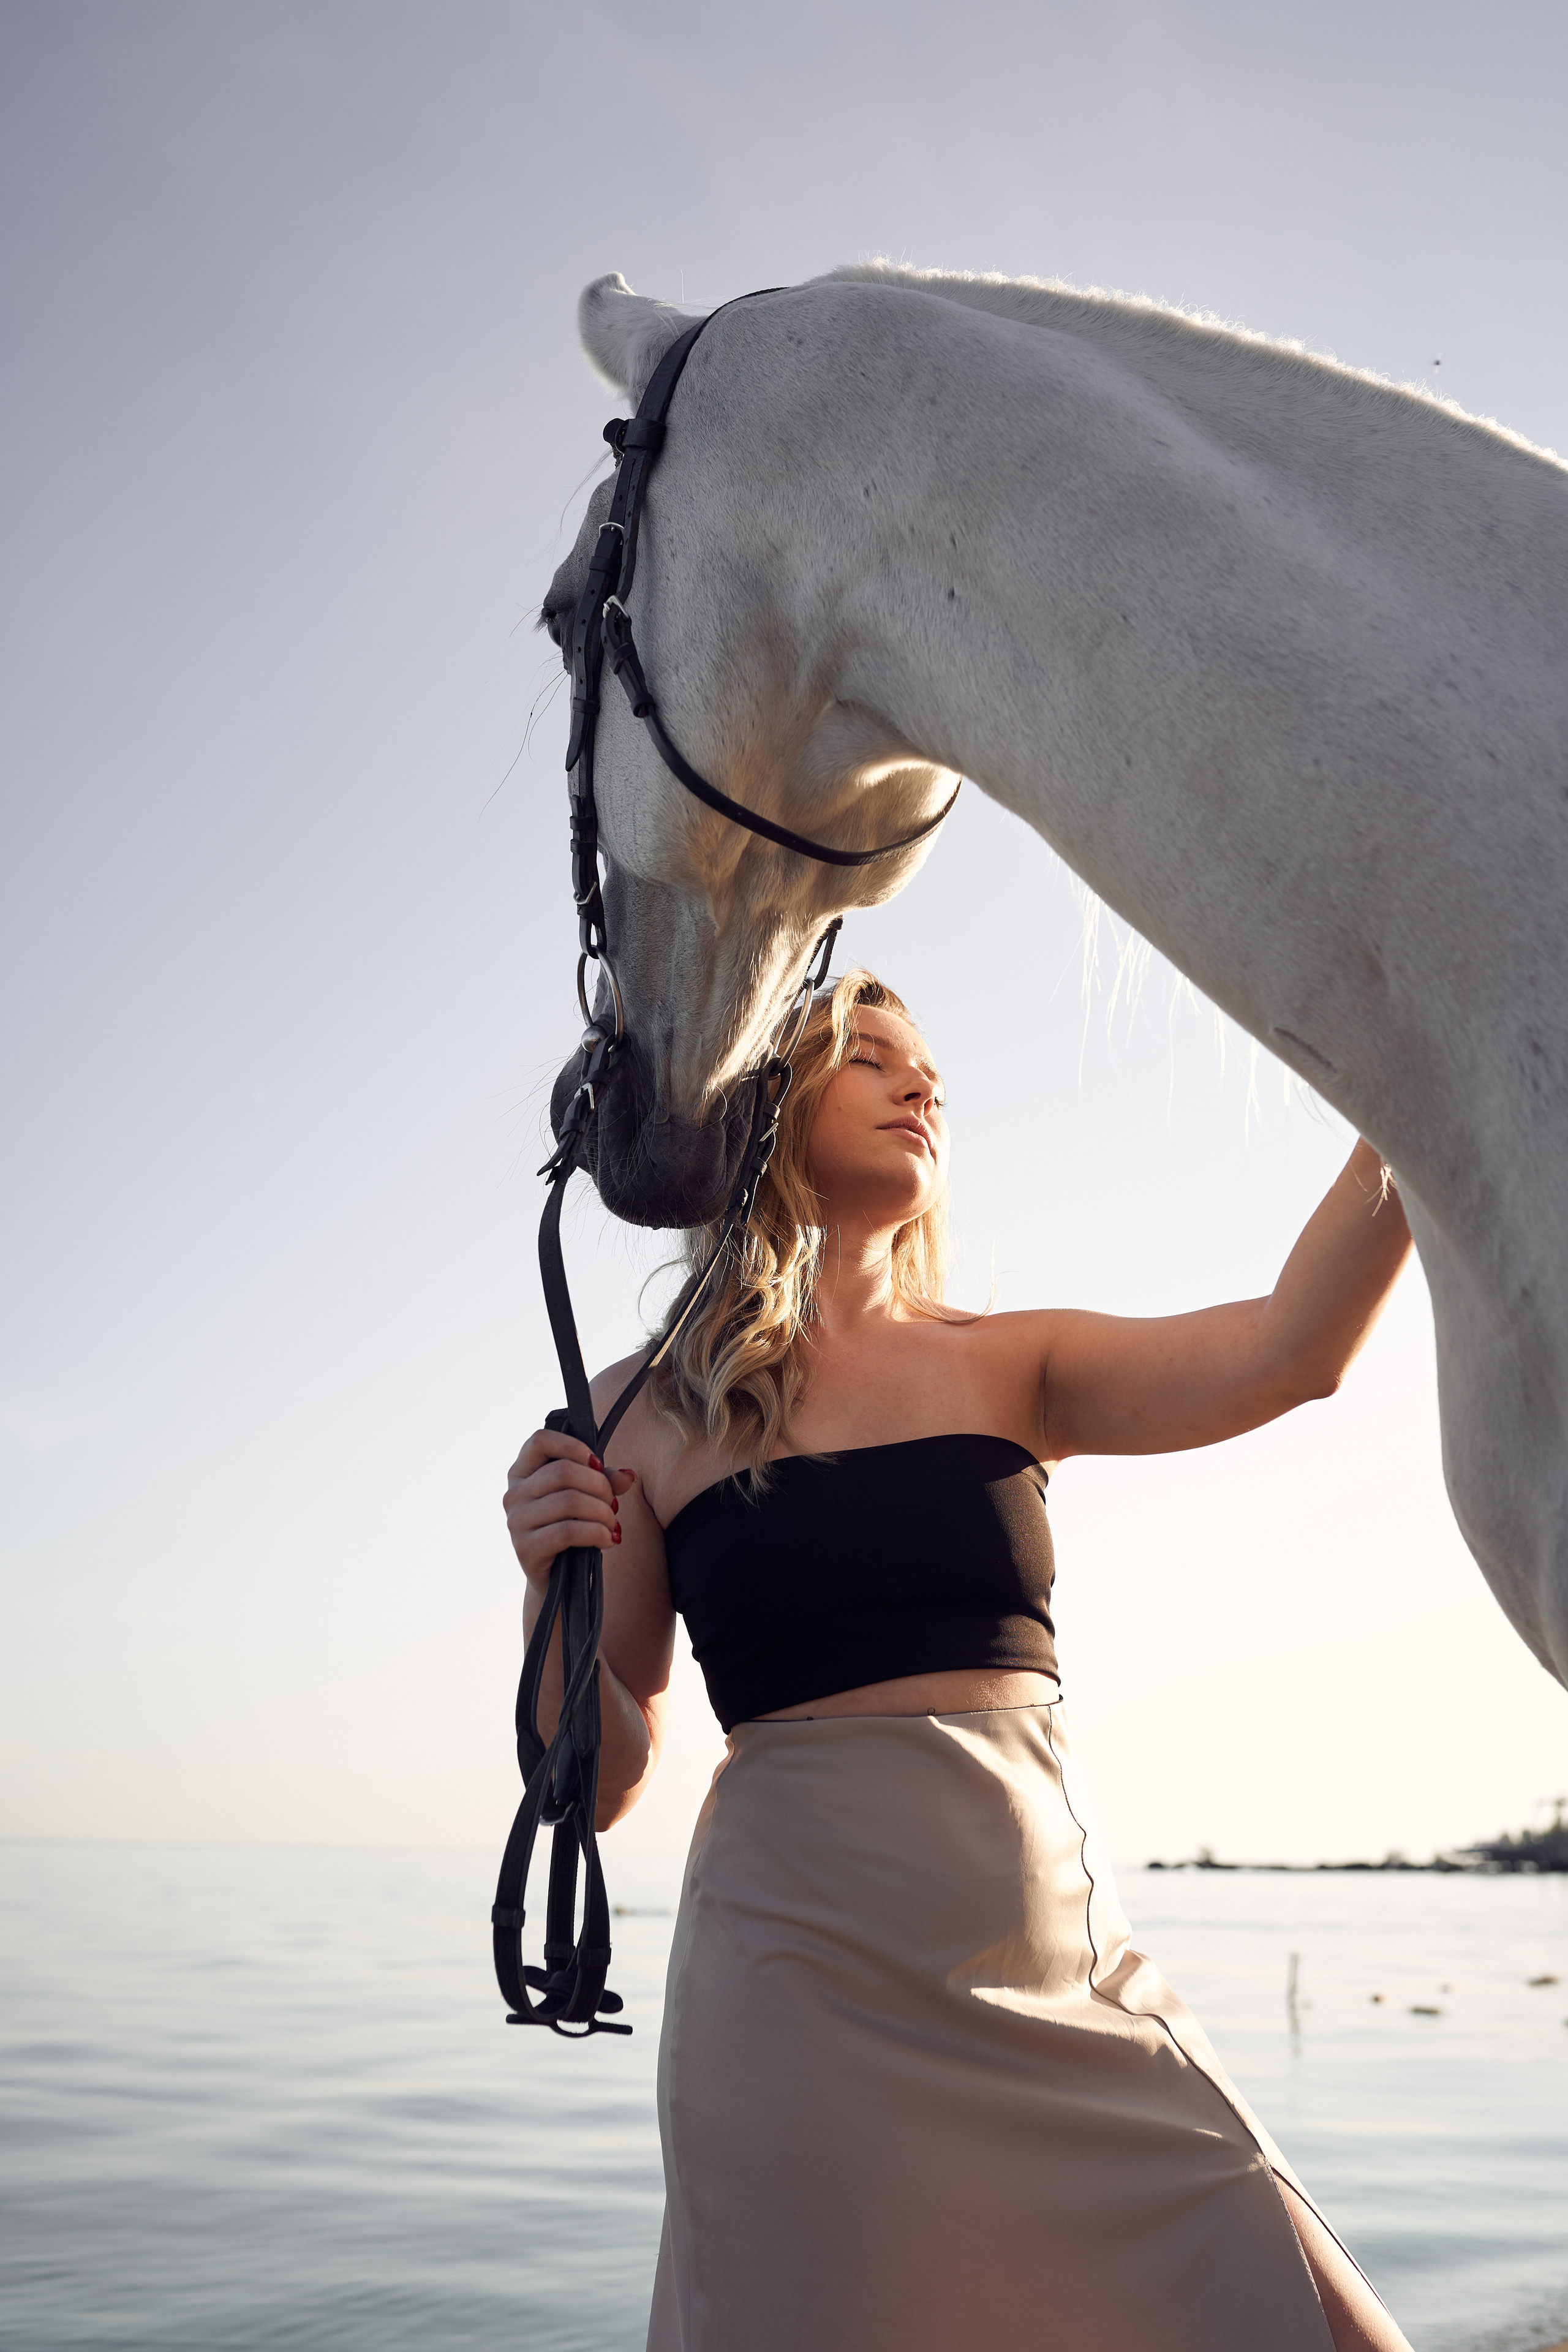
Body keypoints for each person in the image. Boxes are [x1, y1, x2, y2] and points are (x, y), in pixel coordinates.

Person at [505, 969, 1415, 2352]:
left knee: (1321, 2323)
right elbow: (605, 1767)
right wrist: (545, 1591)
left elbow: (1294, 1350)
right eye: (869, 1058)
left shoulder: (1012, 1362)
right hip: (793, 1998)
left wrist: (1418, 1093)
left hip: (1058, 1971)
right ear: (761, 1103)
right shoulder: (631, 1413)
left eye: (924, 1066)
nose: (920, 1086)